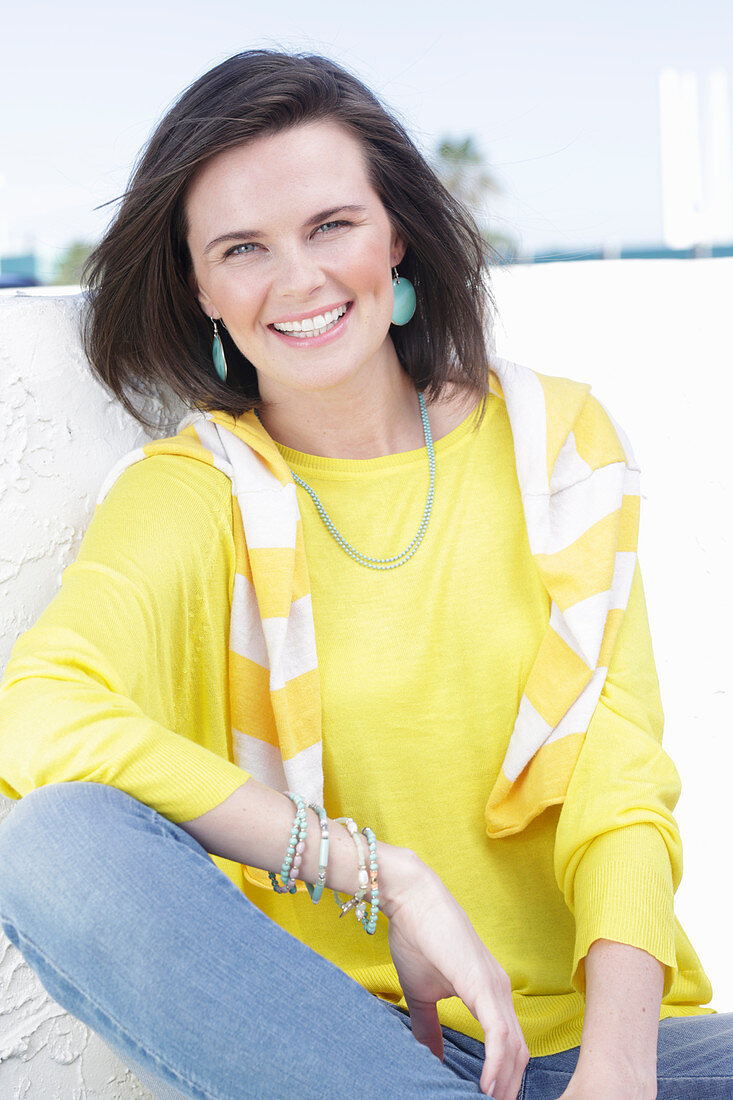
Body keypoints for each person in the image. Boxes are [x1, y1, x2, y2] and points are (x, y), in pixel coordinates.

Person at [0, 49, 729, 1100]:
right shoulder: (189, 494)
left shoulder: (555, 441)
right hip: (354, 1054)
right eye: (243, 247)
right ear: (199, 284)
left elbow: (617, 784)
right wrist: (376, 870)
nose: (297, 279)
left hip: (607, 1046)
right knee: (53, 842)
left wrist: (617, 1070)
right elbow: (38, 713)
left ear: (396, 232)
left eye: (330, 225)